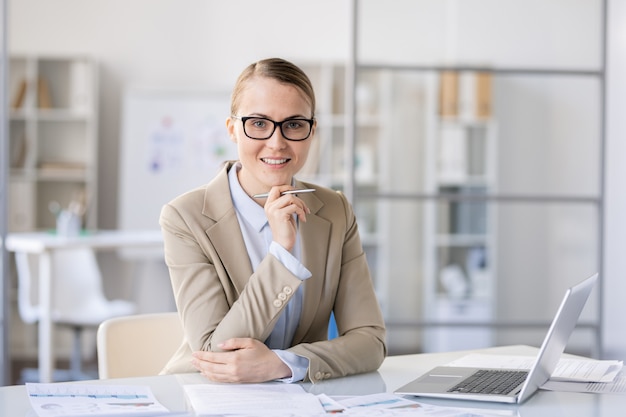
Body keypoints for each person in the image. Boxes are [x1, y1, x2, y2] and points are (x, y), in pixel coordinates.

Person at [159, 57, 386, 384]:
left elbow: (370, 342)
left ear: (312, 132)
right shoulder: (186, 217)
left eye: (293, 124)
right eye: (259, 123)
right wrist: (282, 251)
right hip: (207, 393)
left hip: (299, 399)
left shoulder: (335, 210)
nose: (277, 142)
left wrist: (284, 364)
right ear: (233, 130)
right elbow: (217, 353)